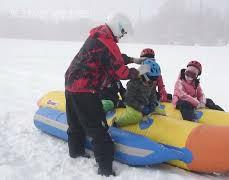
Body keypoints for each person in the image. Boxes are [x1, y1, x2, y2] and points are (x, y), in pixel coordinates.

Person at [64, 13, 141, 177]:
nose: (122, 36)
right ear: (118, 26)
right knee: (98, 129)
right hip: (85, 89)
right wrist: (139, 72)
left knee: (75, 122)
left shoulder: (98, 36)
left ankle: (75, 151)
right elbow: (120, 70)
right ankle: (105, 169)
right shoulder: (107, 42)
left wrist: (134, 59)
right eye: (123, 32)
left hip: (71, 84)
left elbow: (113, 57)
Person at [114, 59, 166, 127]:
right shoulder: (133, 84)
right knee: (136, 116)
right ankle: (116, 123)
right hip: (133, 105)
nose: (152, 82)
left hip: (145, 103)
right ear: (144, 75)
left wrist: (152, 105)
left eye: (155, 79)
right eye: (151, 79)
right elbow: (129, 100)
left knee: (161, 111)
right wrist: (142, 108)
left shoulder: (151, 83)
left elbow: (152, 95)